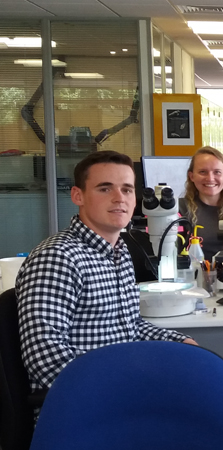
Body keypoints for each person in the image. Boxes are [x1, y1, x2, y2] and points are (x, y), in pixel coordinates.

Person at [16, 151, 198, 400]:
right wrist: (127, 384)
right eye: (105, 189)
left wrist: (180, 342)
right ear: (77, 196)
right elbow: (45, 359)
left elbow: (130, 327)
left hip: (117, 390)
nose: (119, 198)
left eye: (127, 189)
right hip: (81, 405)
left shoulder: (119, 251)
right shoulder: (57, 258)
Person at [180, 146, 223, 261]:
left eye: (217, 172)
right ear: (192, 176)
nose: (210, 178)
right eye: (203, 172)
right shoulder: (179, 209)